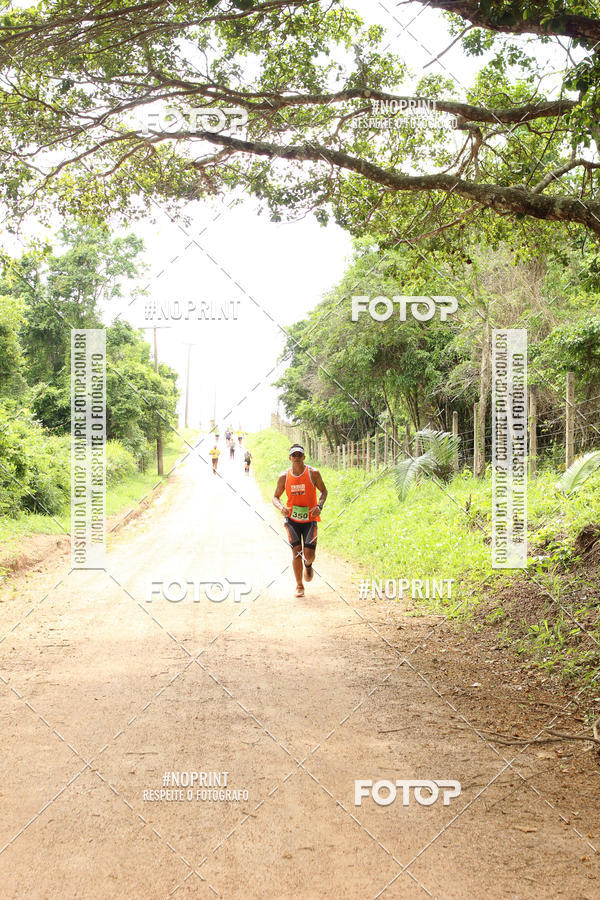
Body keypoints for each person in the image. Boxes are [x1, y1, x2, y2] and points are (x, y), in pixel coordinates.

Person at [272, 444, 327, 598]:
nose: (296, 457)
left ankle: (308, 565)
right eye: (293, 455)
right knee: (296, 553)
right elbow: (275, 497)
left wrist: (319, 506)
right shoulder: (284, 476)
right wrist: (281, 507)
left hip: (310, 519)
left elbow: (324, 491)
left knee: (308, 555)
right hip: (292, 520)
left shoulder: (313, 473)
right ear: (290, 458)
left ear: (304, 457)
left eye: (299, 455)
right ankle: (299, 585)